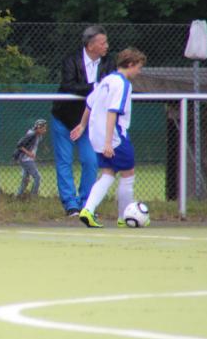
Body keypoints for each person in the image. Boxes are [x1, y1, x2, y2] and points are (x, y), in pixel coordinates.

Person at [70, 48, 147, 228]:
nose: (139, 71)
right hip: (114, 138)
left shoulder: (107, 80)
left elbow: (90, 103)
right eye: (139, 67)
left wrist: (82, 125)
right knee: (128, 174)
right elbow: (112, 112)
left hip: (96, 135)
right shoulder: (123, 84)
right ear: (130, 64)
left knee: (108, 173)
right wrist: (108, 142)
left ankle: (87, 210)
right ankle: (124, 217)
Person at [50, 25, 116, 216]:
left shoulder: (108, 63)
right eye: (102, 43)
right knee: (64, 161)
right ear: (90, 45)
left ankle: (87, 204)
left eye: (106, 42)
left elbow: (111, 87)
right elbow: (69, 86)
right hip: (64, 118)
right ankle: (70, 205)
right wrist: (95, 86)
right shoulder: (71, 60)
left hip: (89, 123)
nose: (106, 46)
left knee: (90, 161)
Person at [12, 119, 48, 198]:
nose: (45, 130)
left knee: (25, 180)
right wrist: (29, 153)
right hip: (26, 159)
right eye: (44, 128)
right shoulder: (31, 135)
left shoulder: (38, 135)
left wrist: (44, 147)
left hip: (26, 159)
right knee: (37, 177)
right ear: (38, 128)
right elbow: (19, 145)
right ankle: (33, 196)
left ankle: (18, 196)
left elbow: (39, 142)